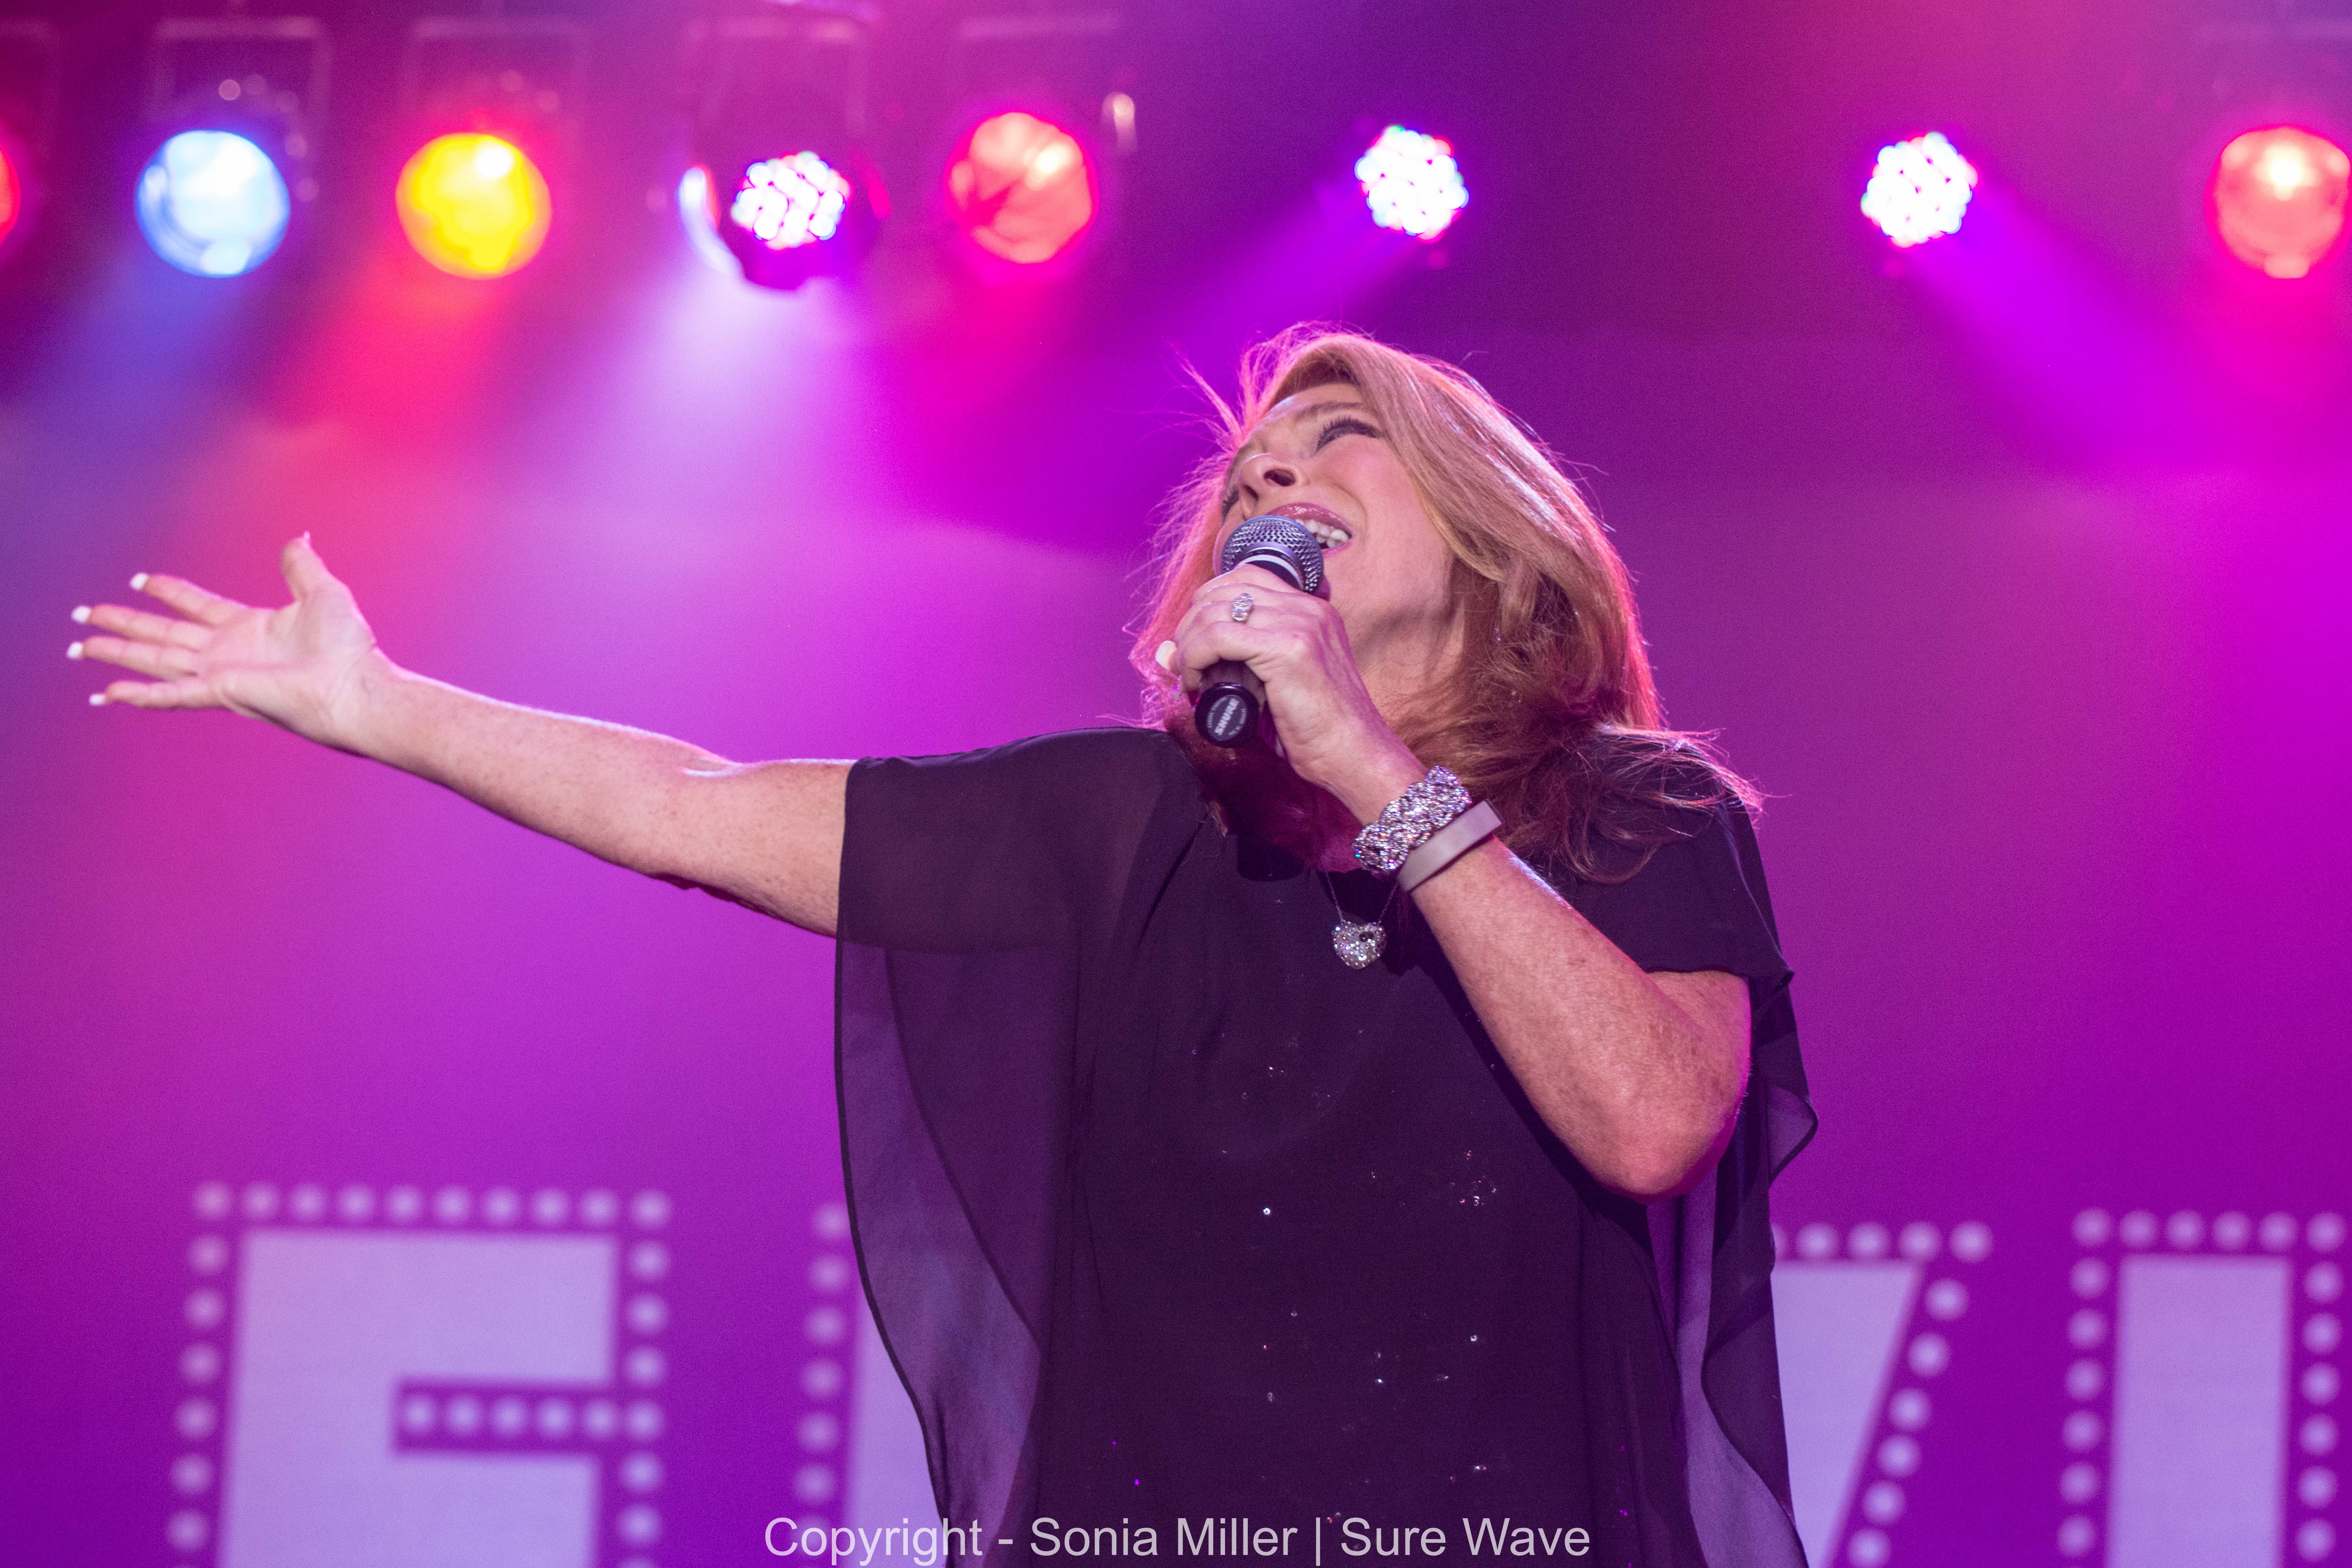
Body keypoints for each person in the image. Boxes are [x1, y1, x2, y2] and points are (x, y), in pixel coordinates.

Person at [66, 326, 1813, 1566]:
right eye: (1251, 469)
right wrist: (383, 703)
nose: (1274, 469)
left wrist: (1372, 765)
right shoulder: (1124, 826)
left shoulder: (1632, 814)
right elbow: (695, 807)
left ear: (1495, 530)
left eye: (1338, 440)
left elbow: (1654, 1120)